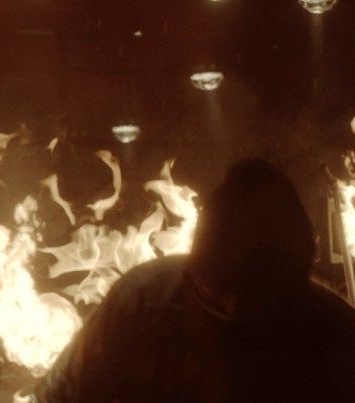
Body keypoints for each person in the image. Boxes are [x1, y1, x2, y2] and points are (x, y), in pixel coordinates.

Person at [35, 159, 355, 402]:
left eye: (253, 310)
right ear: (192, 271)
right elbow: (58, 397)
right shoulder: (142, 301)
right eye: (215, 300)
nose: (230, 314)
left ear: (297, 287)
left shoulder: (337, 346)